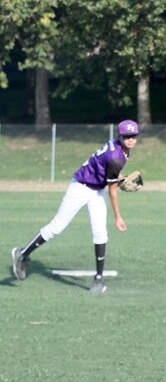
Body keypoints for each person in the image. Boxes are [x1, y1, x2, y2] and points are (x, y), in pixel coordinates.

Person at [11, 119, 138, 293]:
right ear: (120, 136)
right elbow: (112, 191)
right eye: (127, 136)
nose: (130, 139)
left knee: (100, 232)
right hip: (80, 187)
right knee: (57, 226)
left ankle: (99, 280)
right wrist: (118, 217)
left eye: (133, 136)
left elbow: (105, 167)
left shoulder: (120, 148)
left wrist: (120, 178)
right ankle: (22, 253)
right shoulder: (116, 157)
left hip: (96, 190)